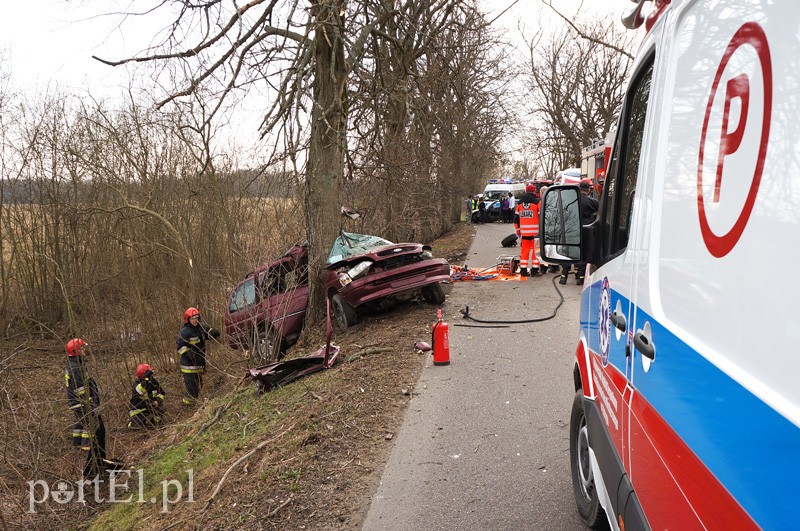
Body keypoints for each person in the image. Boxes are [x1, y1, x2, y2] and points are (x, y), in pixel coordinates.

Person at [64, 338, 108, 479]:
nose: (85, 350)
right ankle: (86, 447)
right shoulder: (76, 368)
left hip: (78, 402)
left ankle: (76, 443)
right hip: (81, 402)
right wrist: (89, 401)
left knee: (80, 422)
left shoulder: (77, 364)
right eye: (82, 348)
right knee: (90, 422)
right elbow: (80, 388)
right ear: (76, 351)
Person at [177, 307, 221, 405]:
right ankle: (186, 407)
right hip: (188, 366)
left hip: (199, 364)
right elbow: (180, 347)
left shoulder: (200, 328)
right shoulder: (184, 332)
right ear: (188, 319)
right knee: (192, 389)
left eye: (196, 317)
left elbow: (207, 333)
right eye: (192, 318)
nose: (195, 320)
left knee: (198, 387)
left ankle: (193, 405)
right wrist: (191, 355)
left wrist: (213, 332)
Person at [560, 179, 600, 285]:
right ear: (588, 190)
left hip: (571, 230)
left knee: (569, 253)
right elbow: (600, 212)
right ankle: (580, 278)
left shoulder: (570, 201)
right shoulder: (592, 202)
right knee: (583, 253)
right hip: (585, 231)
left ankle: (563, 276)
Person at [514, 184, 541, 277]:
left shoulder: (520, 203)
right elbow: (541, 216)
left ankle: (523, 271)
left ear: (526, 191)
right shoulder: (537, 202)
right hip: (535, 233)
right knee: (535, 252)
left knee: (524, 251)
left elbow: (516, 218)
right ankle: (534, 270)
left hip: (524, 232)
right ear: (534, 191)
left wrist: (518, 230)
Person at [128, 363, 166, 429]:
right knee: (137, 426)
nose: (152, 376)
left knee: (161, 408)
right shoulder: (137, 384)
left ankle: (155, 422)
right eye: (150, 374)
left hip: (151, 406)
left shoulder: (154, 382)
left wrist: (157, 400)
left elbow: (161, 393)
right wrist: (147, 380)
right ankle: (133, 423)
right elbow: (140, 390)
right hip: (139, 409)